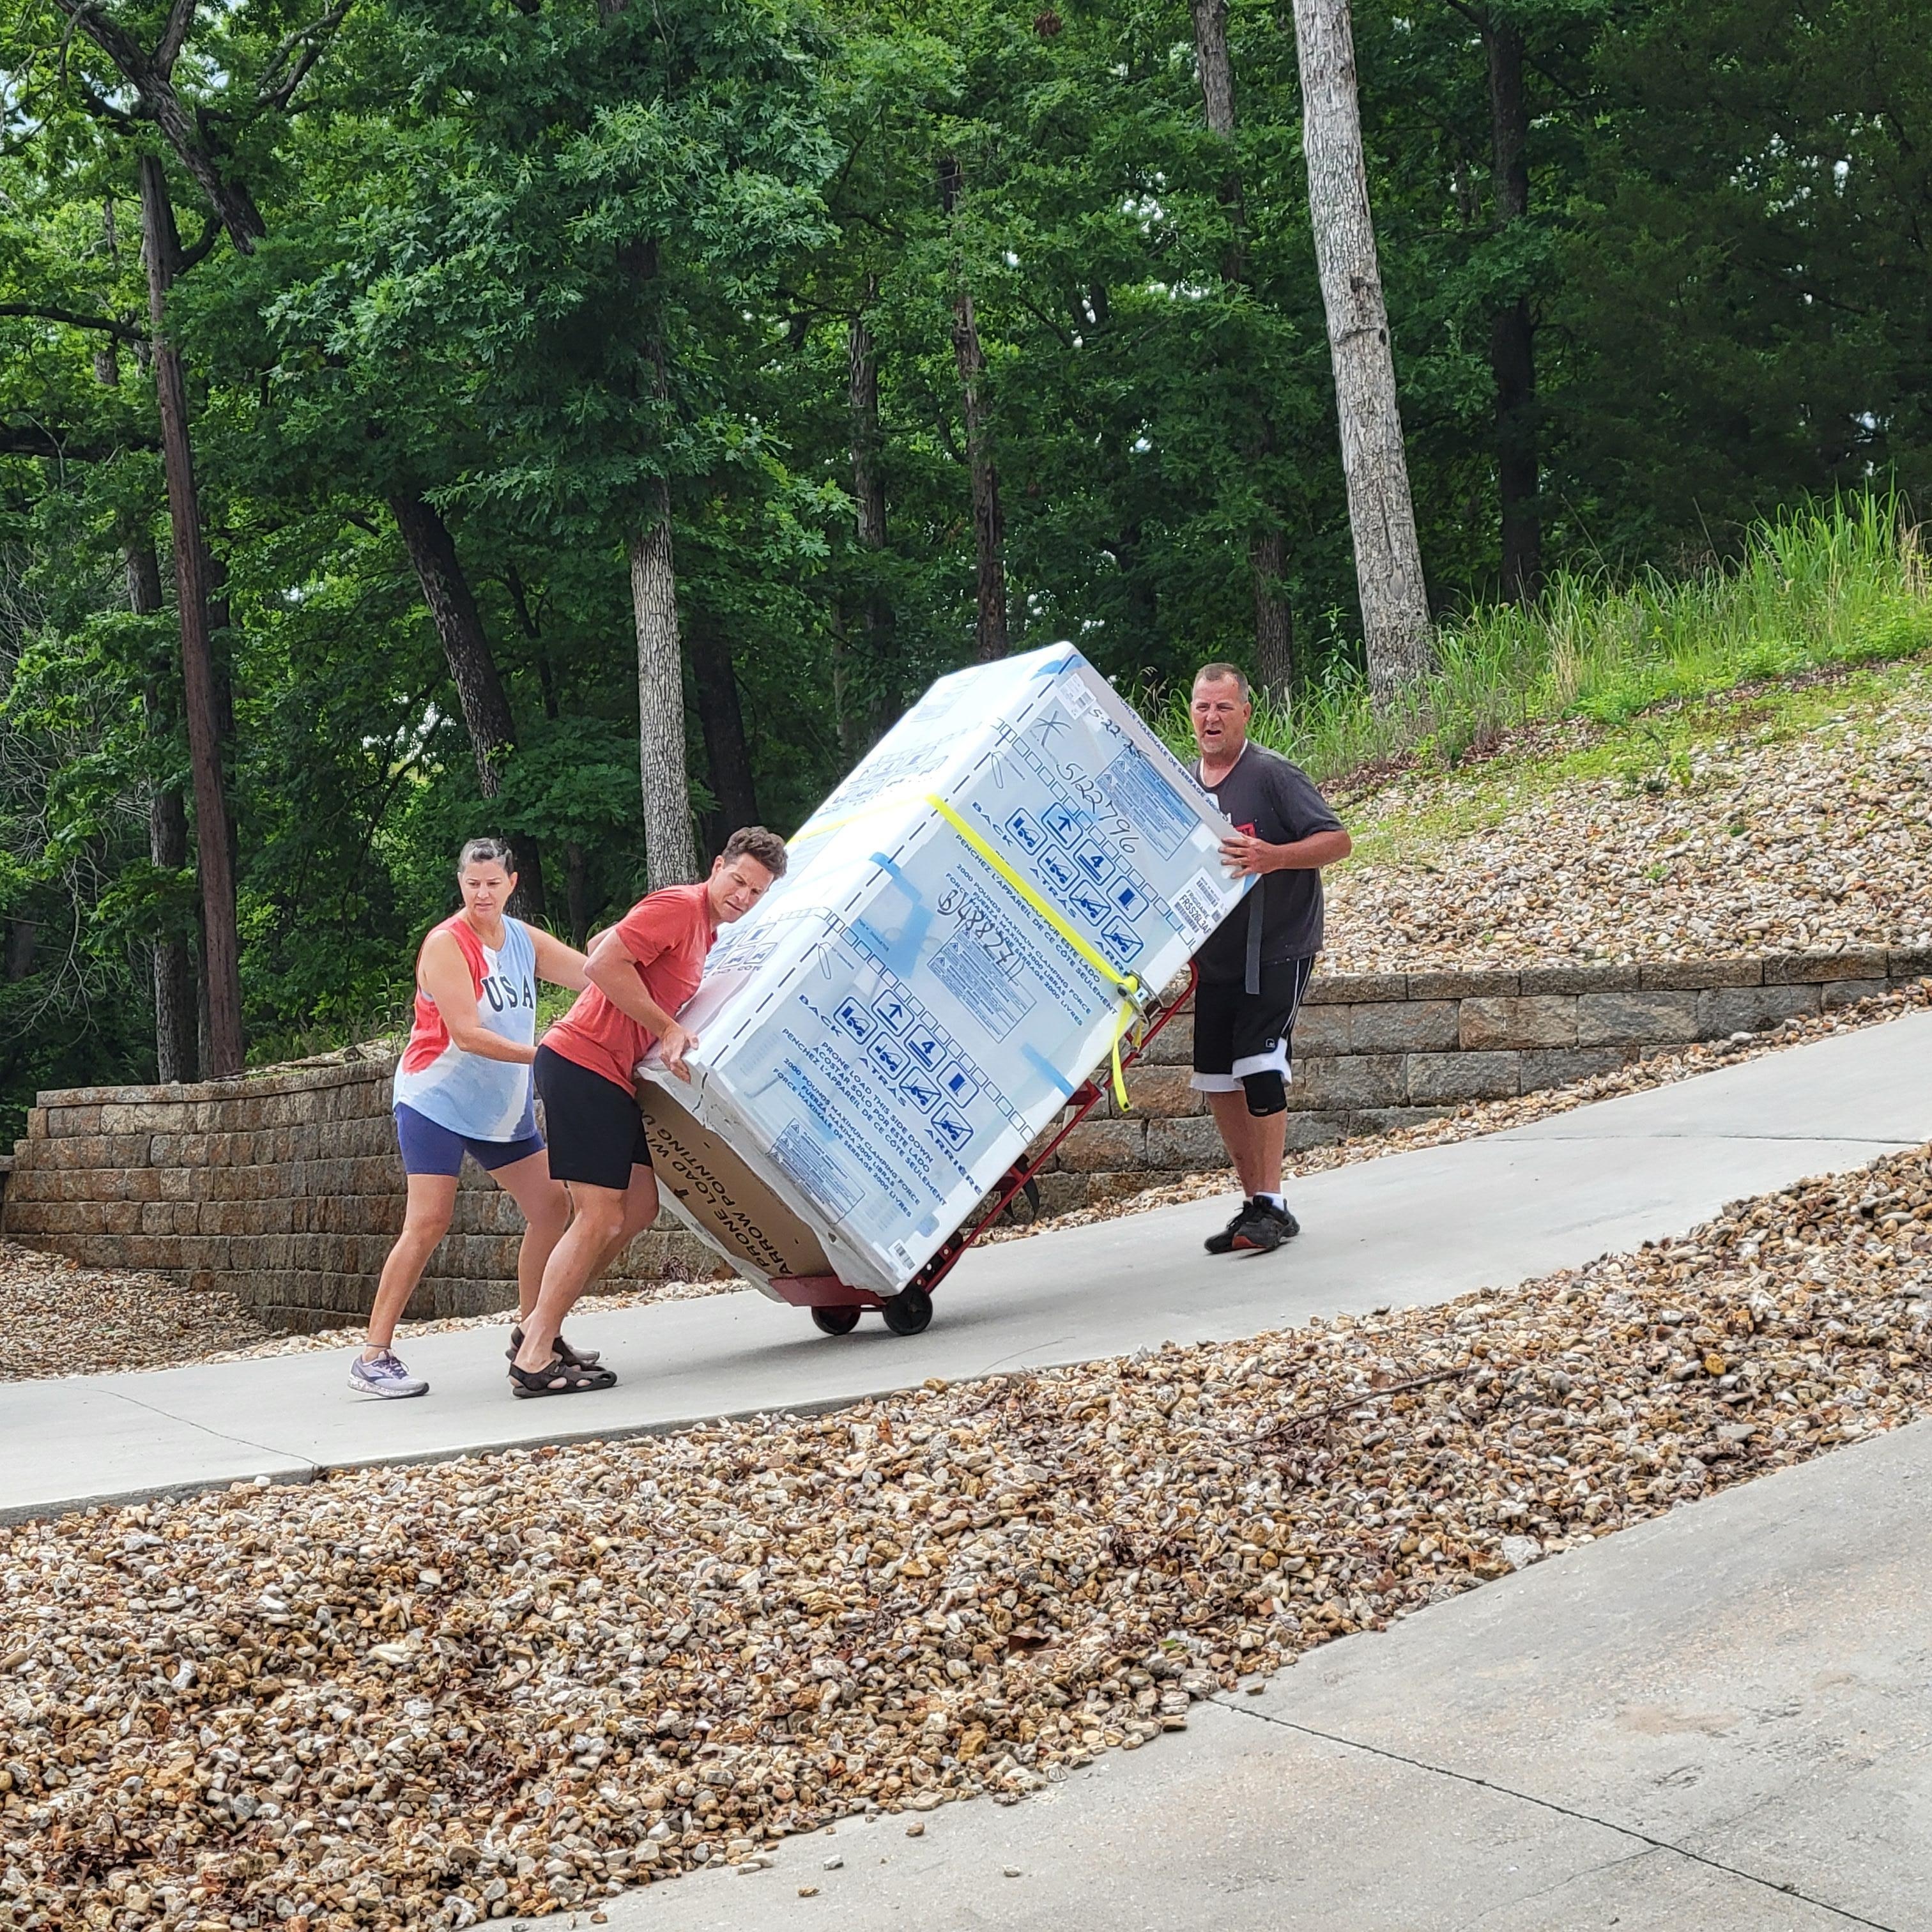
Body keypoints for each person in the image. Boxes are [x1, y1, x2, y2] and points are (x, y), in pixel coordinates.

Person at [509, 825, 789, 1397]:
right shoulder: (680, 907)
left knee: (637, 1208)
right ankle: (535, 1355)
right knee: (599, 1215)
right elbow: (601, 966)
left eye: (757, 892)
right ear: (718, 865)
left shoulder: (704, 930)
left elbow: (602, 944)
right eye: (739, 881)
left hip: (610, 1074)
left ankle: (540, 1326)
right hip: (581, 1062)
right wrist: (666, 1026)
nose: (744, 896)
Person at [351, 837, 591, 1398]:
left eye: (493, 883)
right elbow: (465, 1033)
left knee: (552, 1207)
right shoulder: (445, 944)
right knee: (429, 1221)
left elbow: (594, 976)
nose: (482, 893)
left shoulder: (522, 940)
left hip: (499, 1108)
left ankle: (536, 1332)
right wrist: (546, 1055)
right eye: (472, 883)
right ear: (460, 882)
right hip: (435, 1100)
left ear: (512, 884)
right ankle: (373, 1354)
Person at [1188, 664, 1352, 1255]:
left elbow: (1337, 840)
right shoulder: (1186, 785)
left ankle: (1274, 1205)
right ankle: (1254, 1203)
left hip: (1278, 947)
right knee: (1218, 1080)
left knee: (1259, 1067)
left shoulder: (1273, 775)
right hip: (1215, 960)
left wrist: (1273, 856)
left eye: (1223, 708)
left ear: (1245, 713)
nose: (1211, 719)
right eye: (1203, 708)